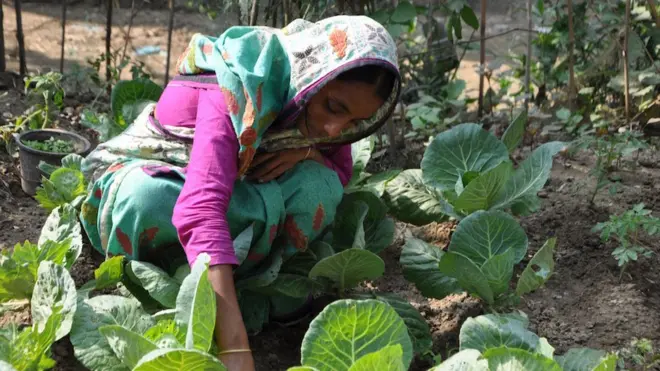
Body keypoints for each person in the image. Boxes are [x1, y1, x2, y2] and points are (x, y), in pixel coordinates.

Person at [79, 15, 400, 371]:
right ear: (314, 75)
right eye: (334, 108)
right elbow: (200, 208)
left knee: (319, 186)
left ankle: (224, 284)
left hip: (230, 194)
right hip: (166, 182)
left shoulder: (322, 104)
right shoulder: (239, 81)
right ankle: (192, 280)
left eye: (354, 123)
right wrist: (234, 347)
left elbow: (340, 172)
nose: (334, 128)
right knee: (146, 198)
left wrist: (307, 151)